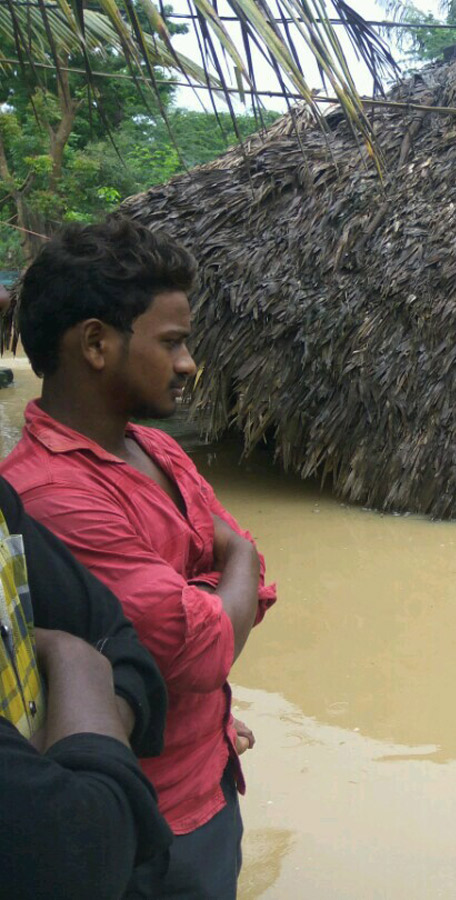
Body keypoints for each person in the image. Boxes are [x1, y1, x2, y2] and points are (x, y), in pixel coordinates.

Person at [1, 216, 277, 899]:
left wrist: (230, 582)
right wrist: (234, 558)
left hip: (212, 773)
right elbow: (204, 647)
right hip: (147, 826)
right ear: (96, 343)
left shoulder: (158, 450)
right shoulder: (50, 496)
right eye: (174, 342)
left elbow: (252, 596)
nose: (189, 363)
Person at [0, 474, 171, 898]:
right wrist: (74, 657)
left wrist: (77, 744)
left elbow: (123, 645)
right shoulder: (58, 489)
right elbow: (88, 845)